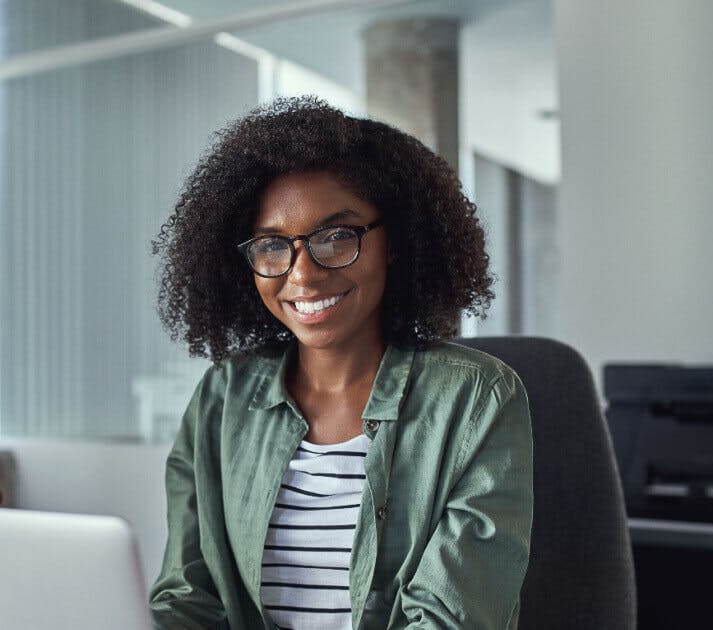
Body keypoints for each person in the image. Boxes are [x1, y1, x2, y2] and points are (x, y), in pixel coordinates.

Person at [148, 97, 533, 630]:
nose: (302, 275)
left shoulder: (477, 399)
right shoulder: (223, 397)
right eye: (271, 245)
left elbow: (452, 619)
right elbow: (187, 600)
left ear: (393, 242)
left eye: (335, 237)